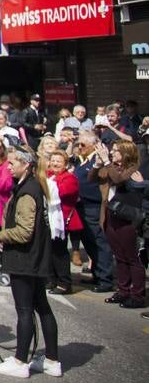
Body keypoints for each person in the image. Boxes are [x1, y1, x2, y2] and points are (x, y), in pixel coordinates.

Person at [0, 143, 61, 378]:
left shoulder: (28, 191)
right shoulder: (30, 186)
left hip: (25, 259)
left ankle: (20, 362)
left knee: (25, 310)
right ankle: (51, 359)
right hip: (33, 258)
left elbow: (25, 231)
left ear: (26, 164)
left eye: (12, 163)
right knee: (41, 307)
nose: (8, 166)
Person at [97, 139, 146, 308]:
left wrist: (106, 161)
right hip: (112, 215)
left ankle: (137, 295)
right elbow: (96, 177)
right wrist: (99, 163)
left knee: (132, 257)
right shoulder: (113, 167)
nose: (112, 152)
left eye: (116, 150)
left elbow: (118, 180)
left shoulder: (132, 169)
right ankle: (123, 290)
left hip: (127, 218)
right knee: (119, 256)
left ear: (125, 153)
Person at [71, 130, 115, 292]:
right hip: (81, 206)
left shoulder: (99, 160)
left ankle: (105, 279)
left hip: (94, 206)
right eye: (79, 144)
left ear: (93, 145)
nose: (80, 147)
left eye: (83, 144)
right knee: (89, 242)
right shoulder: (82, 161)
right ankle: (97, 274)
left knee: (99, 242)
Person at [45, 148, 81, 294]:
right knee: (49, 251)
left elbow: (61, 192)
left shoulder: (69, 178)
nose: (55, 163)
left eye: (58, 161)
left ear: (65, 164)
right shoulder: (47, 175)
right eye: (53, 160)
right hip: (48, 219)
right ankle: (51, 279)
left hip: (62, 220)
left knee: (60, 252)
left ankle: (64, 282)